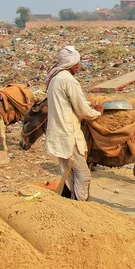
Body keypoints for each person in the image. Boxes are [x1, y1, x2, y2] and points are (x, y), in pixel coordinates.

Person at [45, 45, 103, 201]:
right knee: (84, 176)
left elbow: (69, 104)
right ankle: (80, 208)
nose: (78, 67)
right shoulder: (68, 80)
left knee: (70, 175)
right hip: (68, 137)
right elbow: (82, 110)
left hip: (60, 135)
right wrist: (97, 113)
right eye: (77, 64)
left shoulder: (55, 79)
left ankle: (73, 204)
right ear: (71, 64)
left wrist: (87, 106)